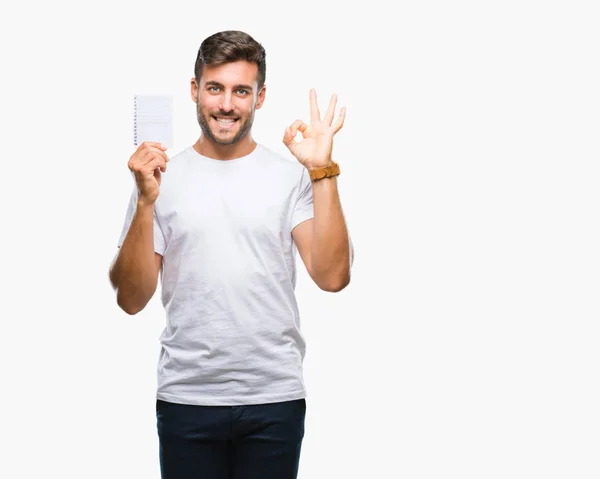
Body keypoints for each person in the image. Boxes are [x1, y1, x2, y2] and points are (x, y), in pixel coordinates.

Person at [109, 30, 354, 479]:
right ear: (194, 90)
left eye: (241, 90)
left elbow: (333, 276)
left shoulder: (289, 176)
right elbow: (130, 298)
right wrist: (145, 202)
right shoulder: (160, 178)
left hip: (274, 398)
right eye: (215, 88)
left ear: (260, 98)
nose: (226, 104)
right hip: (188, 400)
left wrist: (322, 170)